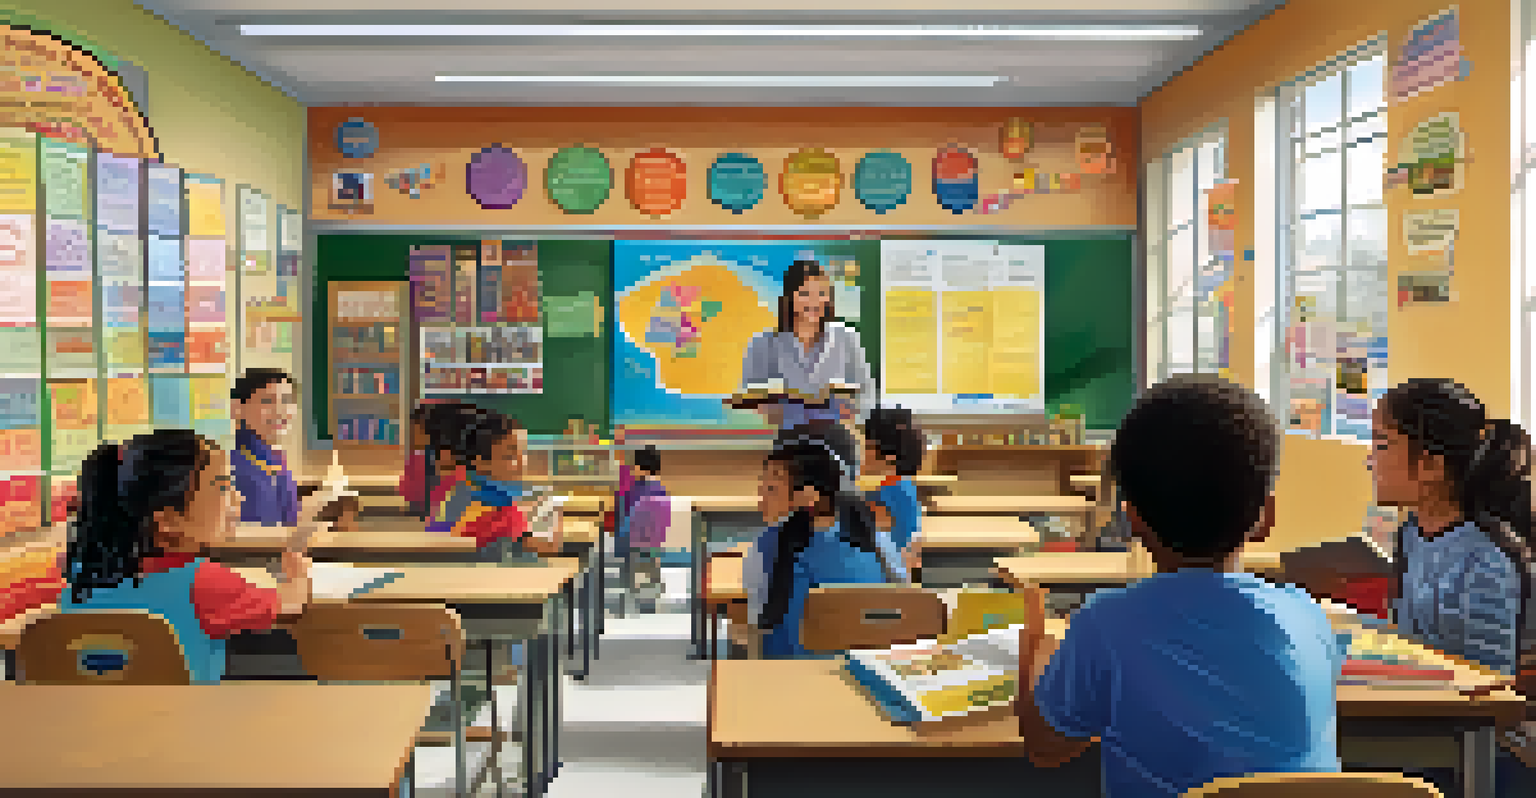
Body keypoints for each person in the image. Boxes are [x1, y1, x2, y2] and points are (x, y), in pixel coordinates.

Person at [1017, 374, 1341, 797]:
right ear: (1266, 518)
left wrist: (1032, 654)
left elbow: (1046, 747)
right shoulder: (1306, 615)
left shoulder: (1106, 625)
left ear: (1132, 519)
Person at [1367, 378, 1536, 795]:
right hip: (1427, 728)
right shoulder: (1411, 533)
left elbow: (1487, 701)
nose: (1369, 460)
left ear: (1430, 465)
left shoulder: (1488, 558)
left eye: (1382, 444)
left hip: (1481, 753)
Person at [57, 430, 311, 683]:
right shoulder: (203, 583)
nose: (238, 497)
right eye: (223, 487)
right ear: (169, 520)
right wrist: (298, 574)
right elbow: (290, 604)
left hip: (94, 721)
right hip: (184, 721)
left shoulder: (79, 578)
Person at [742, 423, 907, 658]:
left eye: (770, 488)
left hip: (791, 681)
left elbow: (756, 624)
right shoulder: (877, 540)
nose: (760, 499)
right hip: (867, 676)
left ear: (809, 496)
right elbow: (901, 600)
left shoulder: (765, 547)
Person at [737, 259, 875, 429]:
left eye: (821, 293)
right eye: (805, 294)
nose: (814, 302)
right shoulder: (764, 343)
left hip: (839, 437)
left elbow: (866, 392)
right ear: (790, 297)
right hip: (784, 438)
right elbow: (751, 397)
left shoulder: (846, 337)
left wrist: (853, 417)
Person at [428, 407, 560, 559]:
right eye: (510, 455)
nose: (522, 462)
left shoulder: (470, 493)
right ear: (481, 463)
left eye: (524, 452)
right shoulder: (470, 501)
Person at [862, 406, 926, 572]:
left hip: (888, 578)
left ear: (888, 456)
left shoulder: (884, 496)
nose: (862, 453)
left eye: (868, 447)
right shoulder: (903, 485)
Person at [618, 444, 670, 612]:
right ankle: (650, 594)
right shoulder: (661, 489)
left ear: (641, 467)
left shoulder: (637, 490)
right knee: (649, 562)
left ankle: (630, 593)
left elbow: (627, 518)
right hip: (655, 542)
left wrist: (618, 536)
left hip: (633, 541)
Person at [400, 400, 472, 518]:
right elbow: (407, 491)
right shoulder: (419, 458)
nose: (414, 436)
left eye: (419, 431)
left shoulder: (456, 466)